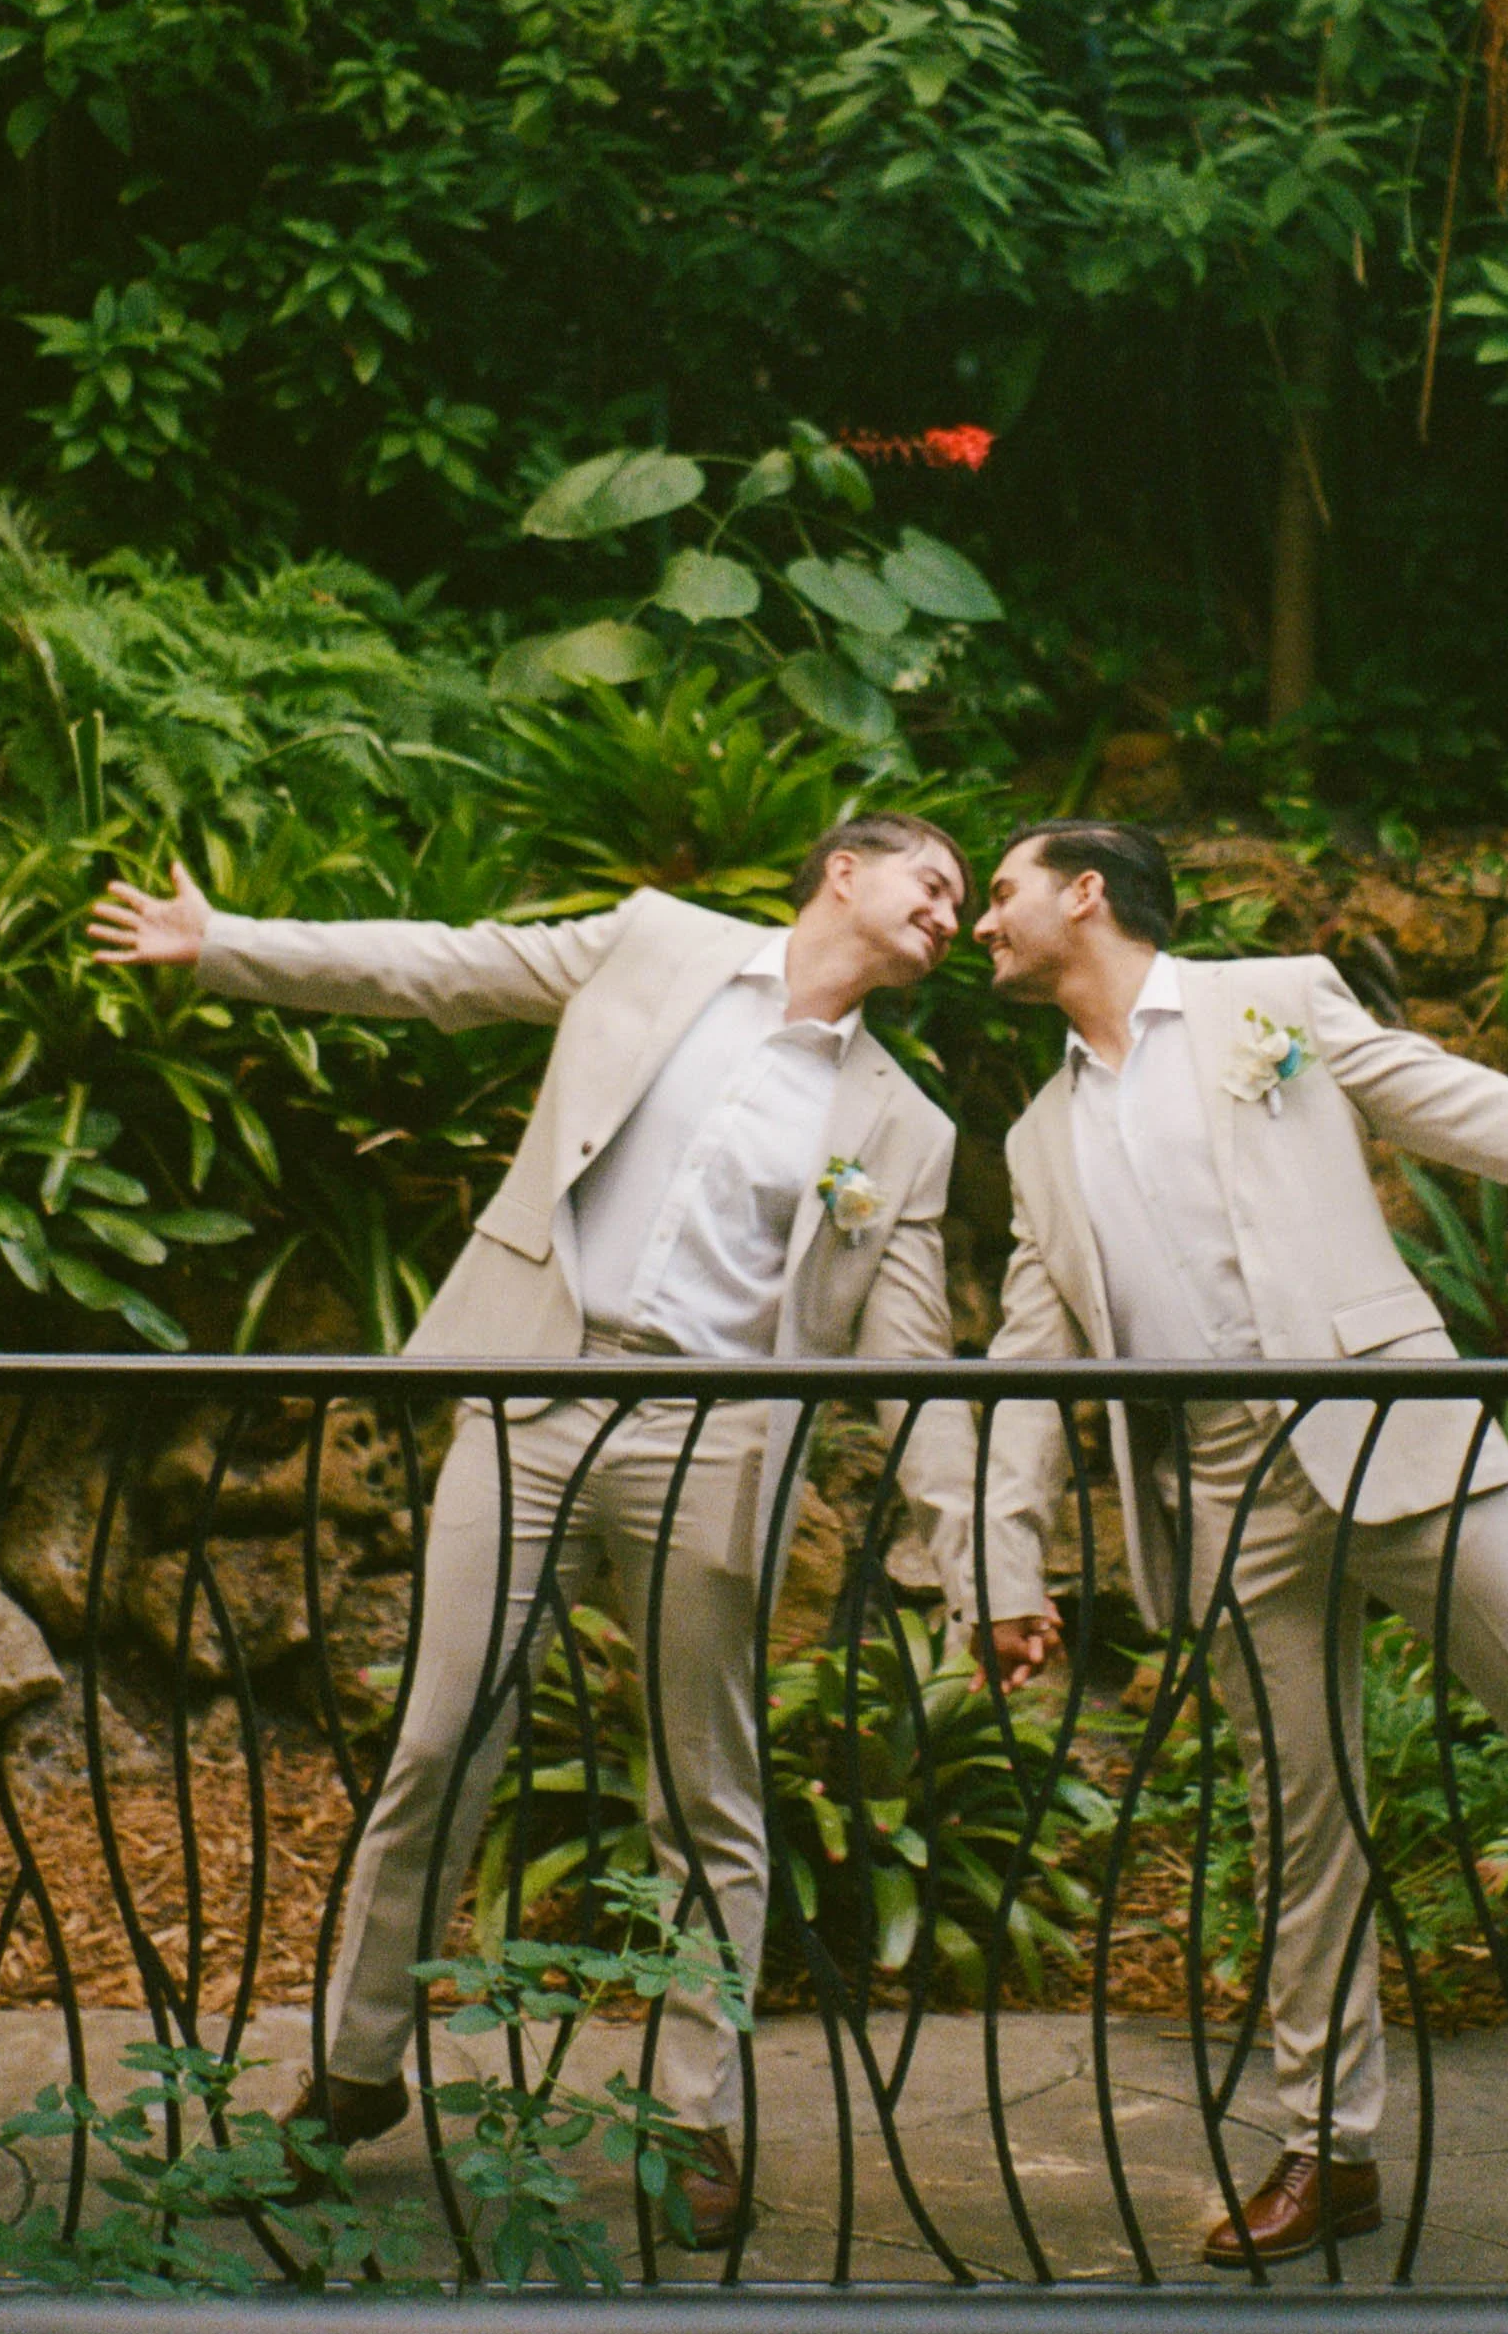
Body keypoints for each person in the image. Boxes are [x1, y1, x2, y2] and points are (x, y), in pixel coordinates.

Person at [89, 813, 979, 2250]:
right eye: (931, 881)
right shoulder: (659, 944)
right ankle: (352, 2074)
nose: (949, 912)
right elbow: (445, 969)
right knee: (439, 1747)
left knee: (706, 1791)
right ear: (842, 872)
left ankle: (688, 2111)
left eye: (961, 902)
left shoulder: (906, 1128)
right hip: (532, 1395)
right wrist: (227, 945)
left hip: (714, 1440)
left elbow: (915, 1361)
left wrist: (982, 1558)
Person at [968, 819, 1508, 2270]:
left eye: (1001, 892)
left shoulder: (1272, 1002)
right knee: (1297, 1823)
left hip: (1391, 1428)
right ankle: (1330, 2148)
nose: (981, 922)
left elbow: (1476, 1115)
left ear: (1086, 892)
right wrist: (1003, 1568)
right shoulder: (1034, 1138)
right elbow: (1022, 1357)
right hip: (1224, 1486)